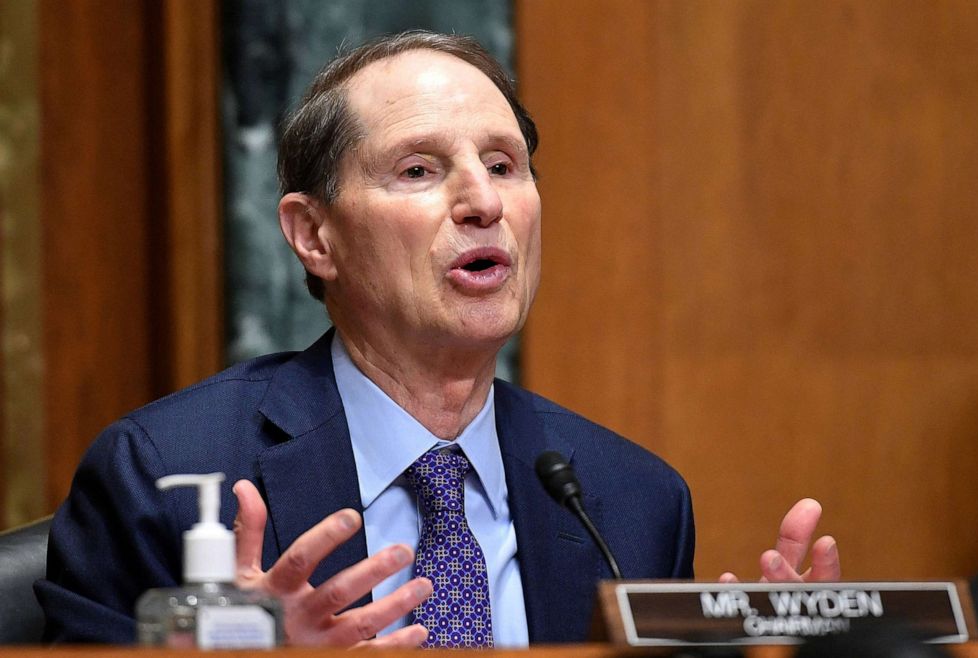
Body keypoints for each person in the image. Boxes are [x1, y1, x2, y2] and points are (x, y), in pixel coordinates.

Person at [36, 31, 840, 647]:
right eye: (419, 170)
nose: (482, 202)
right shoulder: (166, 477)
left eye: (504, 164)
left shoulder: (631, 501)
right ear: (313, 235)